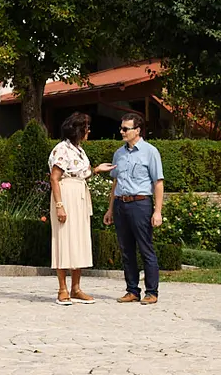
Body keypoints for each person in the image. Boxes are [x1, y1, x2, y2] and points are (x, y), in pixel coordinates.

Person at [49, 112, 112, 303]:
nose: (89, 131)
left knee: (79, 239)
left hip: (80, 195)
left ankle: (76, 288)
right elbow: (55, 177)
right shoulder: (62, 149)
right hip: (66, 195)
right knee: (64, 239)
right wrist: (60, 206)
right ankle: (62, 289)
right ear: (78, 130)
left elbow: (79, 172)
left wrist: (96, 170)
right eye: (86, 128)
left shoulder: (79, 150)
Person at [102, 111, 163, 304]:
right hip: (121, 204)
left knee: (145, 248)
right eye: (121, 128)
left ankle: (151, 292)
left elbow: (158, 182)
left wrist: (158, 211)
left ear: (137, 130)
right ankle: (132, 290)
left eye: (125, 129)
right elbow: (115, 182)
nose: (121, 132)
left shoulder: (150, 152)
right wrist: (110, 208)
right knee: (126, 250)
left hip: (140, 204)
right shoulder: (118, 154)